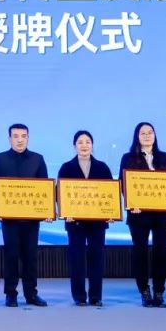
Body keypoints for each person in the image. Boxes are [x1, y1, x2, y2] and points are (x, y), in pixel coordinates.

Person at [0, 123, 50, 307]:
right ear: (9, 139)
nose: (20, 140)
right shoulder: (0, 159)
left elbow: (45, 188)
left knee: (30, 257)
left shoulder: (38, 159)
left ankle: (31, 294)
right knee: (11, 256)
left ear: (28, 138)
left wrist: (47, 210)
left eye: (23, 136)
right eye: (15, 136)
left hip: (31, 220)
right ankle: (11, 294)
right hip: (9, 219)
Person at [119, 122, 166, 308]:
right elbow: (123, 184)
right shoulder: (128, 158)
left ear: (155, 135)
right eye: (142, 133)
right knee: (140, 252)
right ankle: (144, 291)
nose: (147, 135)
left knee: (161, 252)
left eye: (150, 132)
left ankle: (159, 292)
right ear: (137, 136)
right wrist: (131, 203)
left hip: (163, 215)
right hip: (138, 214)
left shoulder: (165, 157)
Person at [57, 130, 113, 307]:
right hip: (75, 222)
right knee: (77, 260)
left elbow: (110, 194)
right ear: (74, 146)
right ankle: (79, 296)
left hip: (97, 223)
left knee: (97, 259)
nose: (84, 145)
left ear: (92, 145)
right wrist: (65, 212)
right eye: (80, 142)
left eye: (87, 142)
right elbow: (60, 194)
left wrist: (111, 212)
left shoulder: (102, 167)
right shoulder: (66, 167)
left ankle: (96, 296)